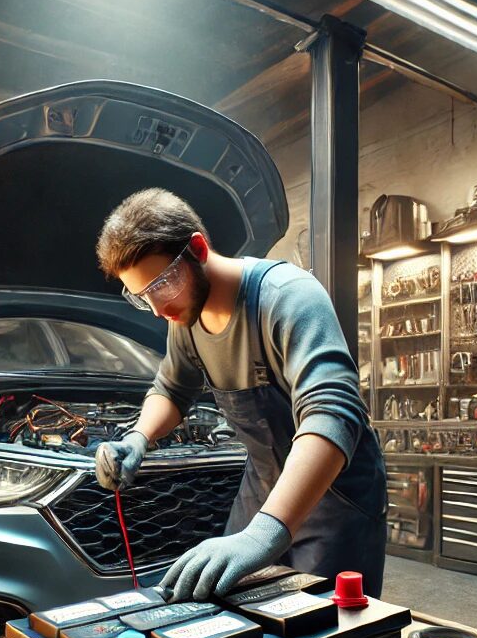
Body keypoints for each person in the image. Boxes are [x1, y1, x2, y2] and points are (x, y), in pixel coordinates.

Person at [94, 188, 387, 602]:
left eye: (161, 284)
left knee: (318, 634)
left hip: (334, 497)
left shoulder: (287, 296)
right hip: (263, 483)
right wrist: (139, 437)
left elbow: (332, 413)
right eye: (143, 297)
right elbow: (173, 389)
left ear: (197, 249)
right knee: (229, 613)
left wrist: (264, 535)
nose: (158, 310)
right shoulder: (187, 320)